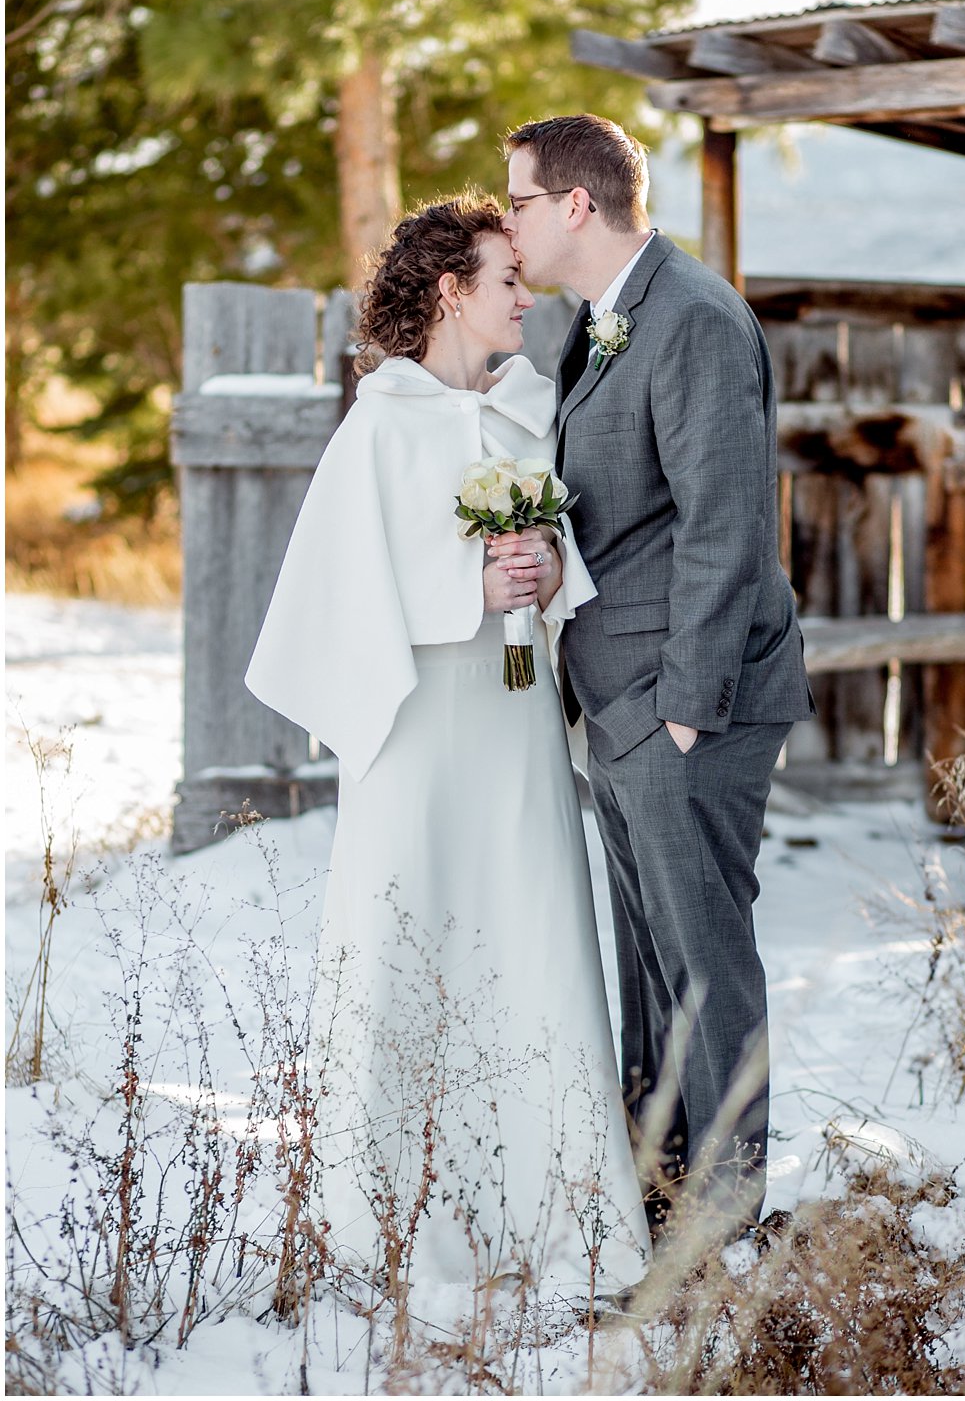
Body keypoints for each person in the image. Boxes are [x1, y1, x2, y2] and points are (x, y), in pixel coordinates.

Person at [244, 193, 650, 1294]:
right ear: (451, 293)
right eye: (506, 280)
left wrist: (550, 574)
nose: (529, 298)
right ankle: (401, 1222)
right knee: (417, 941)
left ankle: (561, 1218)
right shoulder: (379, 424)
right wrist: (462, 586)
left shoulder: (534, 406)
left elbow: (565, 557)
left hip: (514, 723)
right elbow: (329, 597)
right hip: (415, 727)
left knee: (532, 937)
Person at [499, 115, 815, 1233]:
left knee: (703, 965)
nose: (510, 221)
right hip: (621, 703)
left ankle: (726, 1224)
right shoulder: (603, 319)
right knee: (649, 969)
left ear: (576, 205)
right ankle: (660, 1201)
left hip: (689, 705)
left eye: (520, 202)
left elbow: (726, 527)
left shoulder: (690, 317)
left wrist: (684, 709)